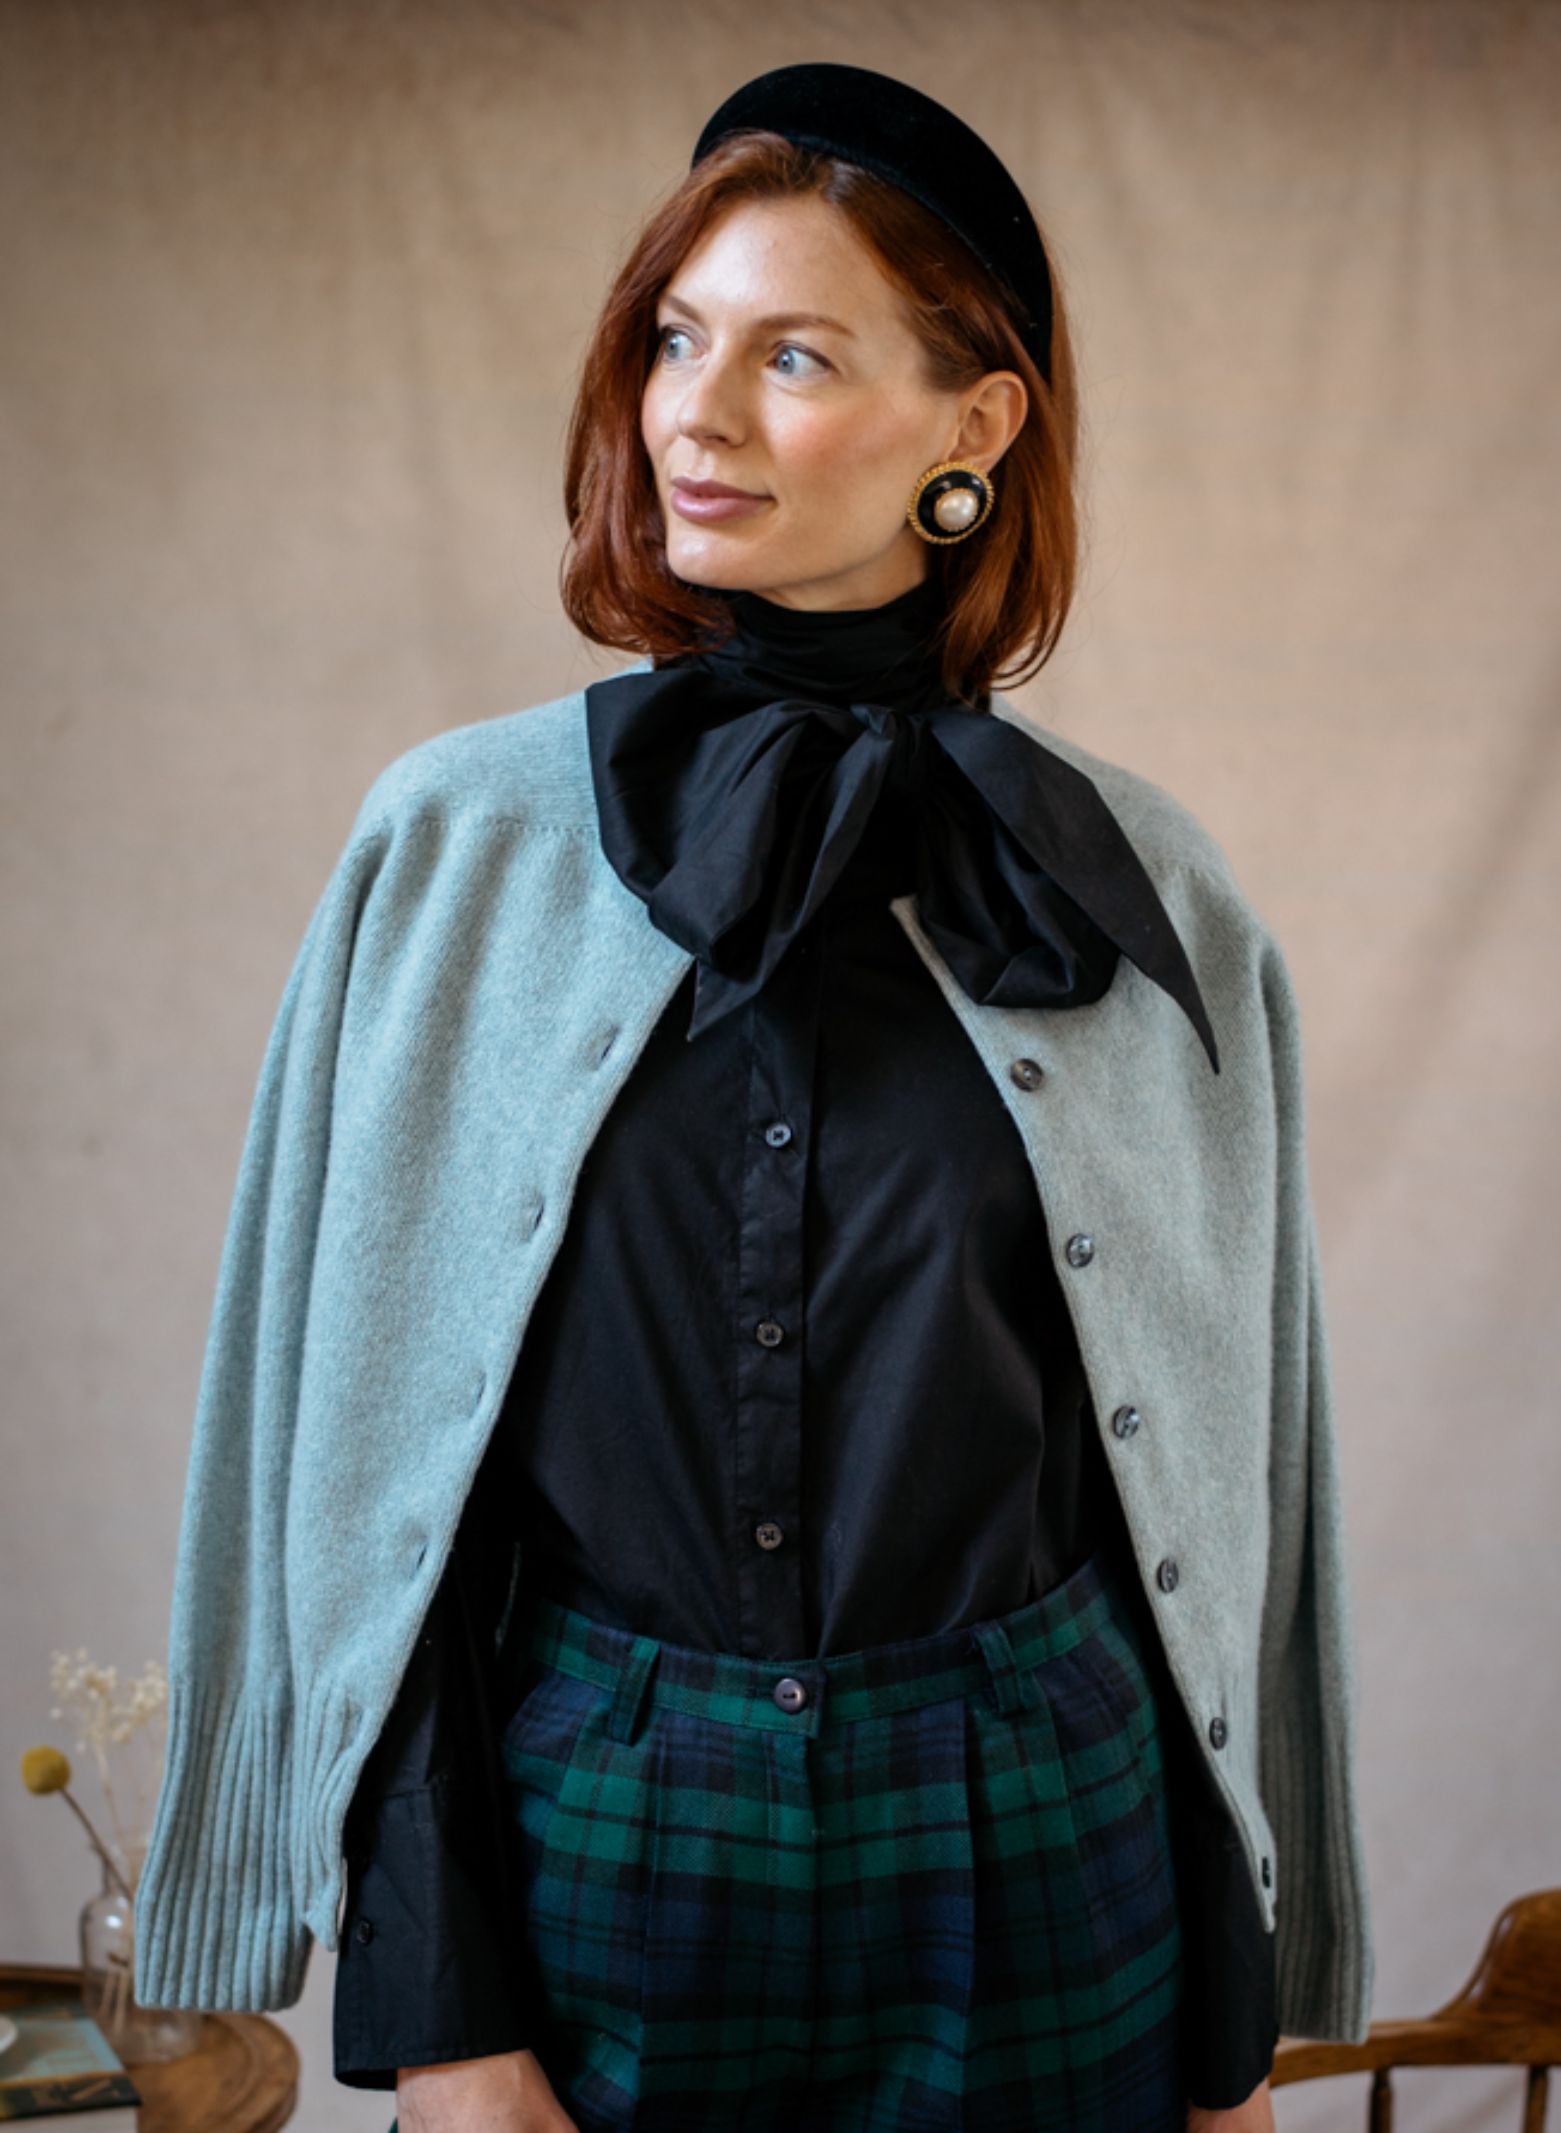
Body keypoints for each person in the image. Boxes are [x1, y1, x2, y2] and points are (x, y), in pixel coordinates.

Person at [132, 60, 1374, 2133]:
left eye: (790, 354)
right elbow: (330, 1434)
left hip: (1054, 1867)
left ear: (971, 428)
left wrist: (1225, 2022)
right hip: (592, 1857)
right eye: (673, 341)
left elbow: (1222, 1490)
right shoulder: (453, 852)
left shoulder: (1146, 900)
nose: (691, 416)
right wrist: (438, 2006)